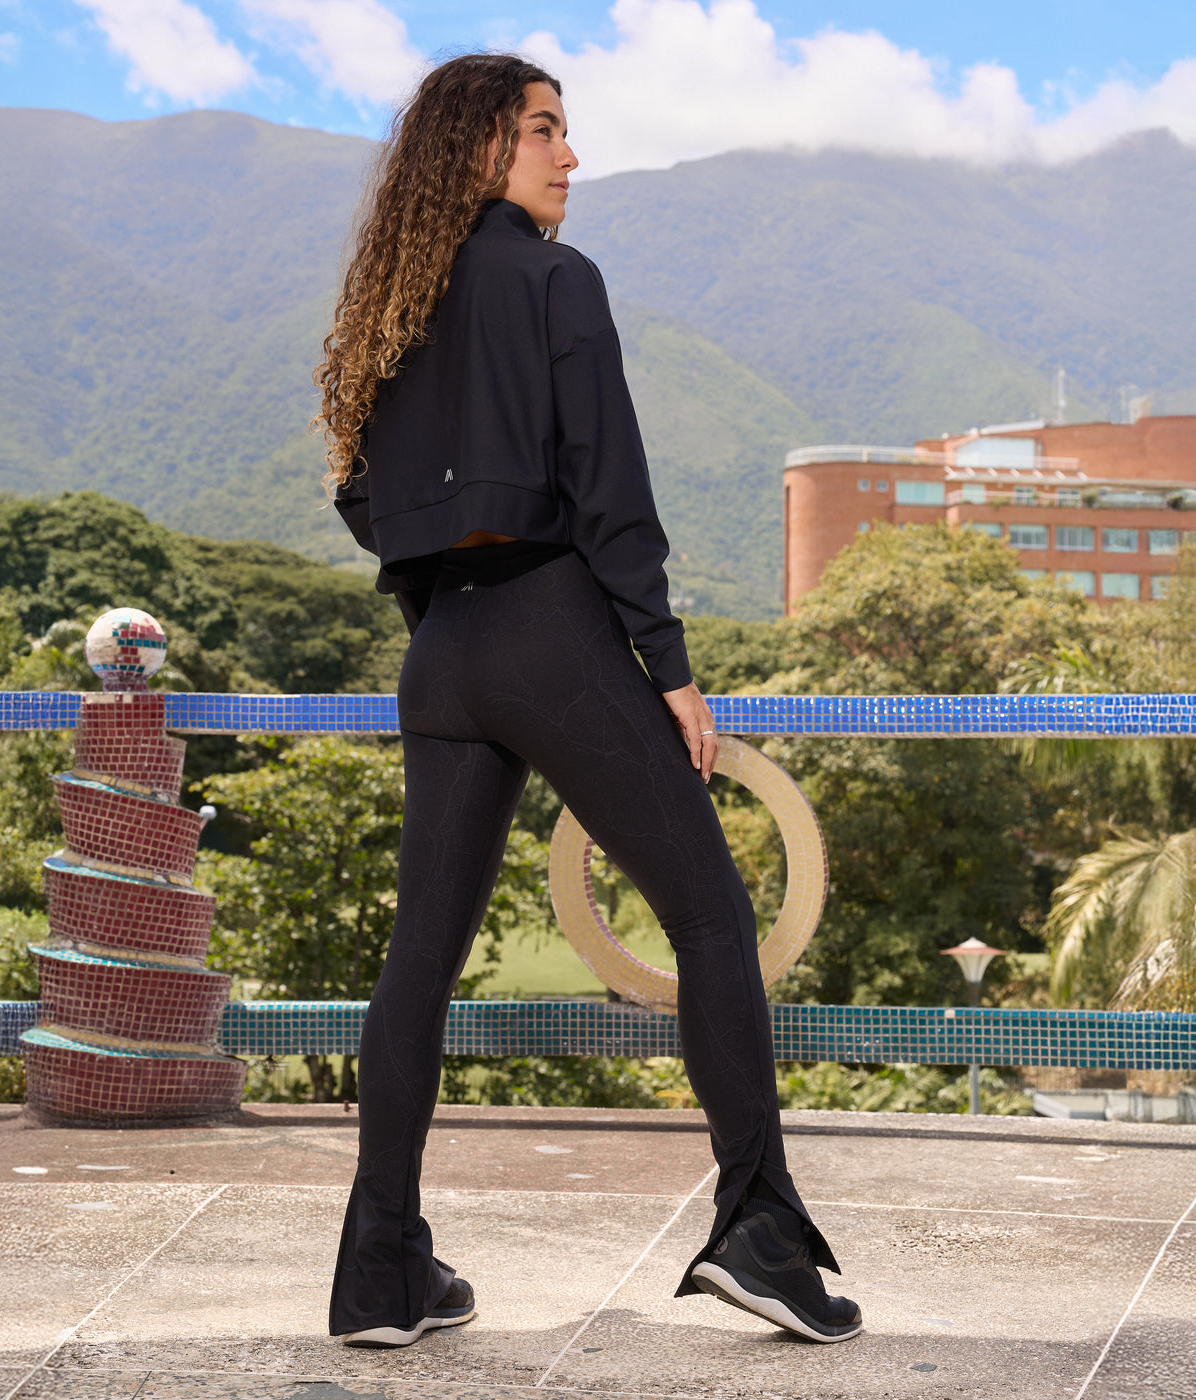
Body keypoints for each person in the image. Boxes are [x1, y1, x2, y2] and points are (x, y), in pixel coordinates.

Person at [314, 52, 863, 1351]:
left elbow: (361, 499)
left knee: (418, 964)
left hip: (443, 652)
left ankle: (380, 1271)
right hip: (553, 632)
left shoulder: (393, 306)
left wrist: (445, 605)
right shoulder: (559, 282)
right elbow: (610, 490)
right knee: (711, 918)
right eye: (545, 130)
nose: (570, 156)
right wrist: (667, 668)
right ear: (480, 149)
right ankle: (760, 1231)